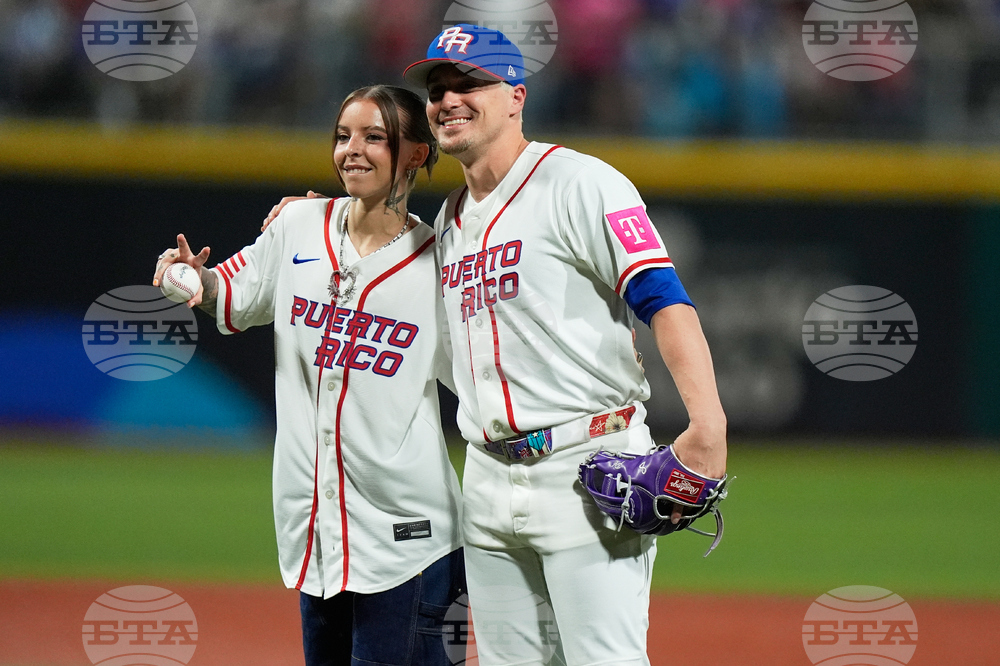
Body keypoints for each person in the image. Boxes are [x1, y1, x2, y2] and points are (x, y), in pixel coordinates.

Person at [401, 25, 728, 665]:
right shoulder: (448, 220)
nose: (448, 100)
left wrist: (708, 424)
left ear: (516, 96)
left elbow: (665, 300)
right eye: (438, 89)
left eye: (469, 83)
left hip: (588, 469)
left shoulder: (579, 182)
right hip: (487, 477)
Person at [152, 85, 465, 666]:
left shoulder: (443, 263)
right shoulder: (297, 225)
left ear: (416, 154)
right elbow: (230, 295)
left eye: (375, 137)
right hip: (318, 534)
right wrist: (184, 276)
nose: (353, 149)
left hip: (411, 544)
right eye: (343, 136)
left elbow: (485, 370)